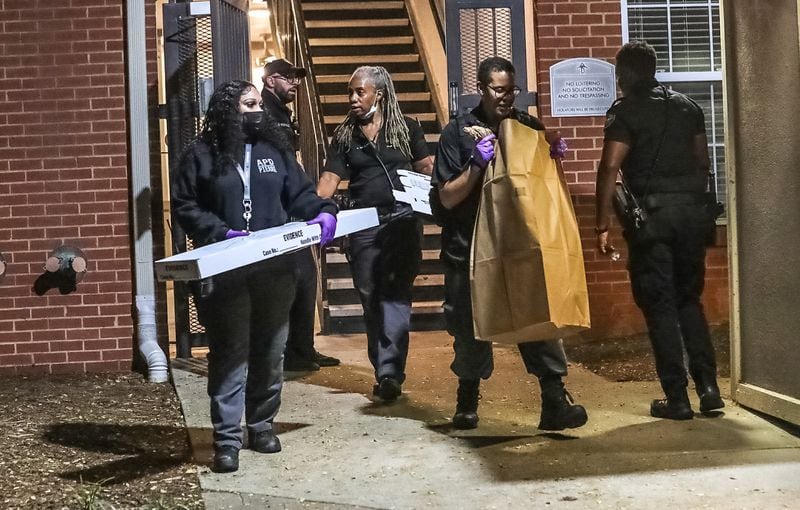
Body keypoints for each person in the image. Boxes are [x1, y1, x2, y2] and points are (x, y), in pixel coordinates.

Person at [172, 80, 338, 473]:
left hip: (274, 269)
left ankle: (261, 425)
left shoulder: (275, 151)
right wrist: (219, 230)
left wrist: (323, 210)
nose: (257, 110)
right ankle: (227, 438)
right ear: (229, 109)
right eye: (249, 103)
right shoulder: (201, 155)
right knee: (230, 354)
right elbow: (184, 204)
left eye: (258, 103)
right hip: (225, 271)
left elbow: (299, 195)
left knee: (270, 348)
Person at [431, 56, 588, 431]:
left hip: (518, 246)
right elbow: (447, 199)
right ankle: (467, 402)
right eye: (498, 90)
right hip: (469, 248)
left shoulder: (527, 127)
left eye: (511, 90)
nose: (505, 98)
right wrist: (475, 166)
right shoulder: (458, 132)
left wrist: (553, 158)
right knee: (470, 329)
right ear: (482, 89)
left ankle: (554, 402)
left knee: (537, 318)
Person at [595, 41, 724, 420]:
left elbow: (609, 167)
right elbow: (702, 162)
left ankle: (677, 397)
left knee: (660, 305)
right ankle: (709, 387)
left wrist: (602, 223)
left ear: (629, 74)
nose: (619, 81)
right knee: (690, 300)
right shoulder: (688, 107)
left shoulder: (625, 112)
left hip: (653, 221)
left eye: (620, 74)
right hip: (690, 217)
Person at [317, 65, 433, 402]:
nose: (352, 98)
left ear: (378, 94)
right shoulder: (344, 136)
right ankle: (384, 367)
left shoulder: (406, 129)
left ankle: (389, 373)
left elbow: (426, 168)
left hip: (401, 223)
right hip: (364, 225)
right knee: (371, 299)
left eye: (359, 92)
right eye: (350, 92)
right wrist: (310, 208)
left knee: (395, 296)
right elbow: (328, 180)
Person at [261, 57, 340, 372]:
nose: (294, 83)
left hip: (290, 206)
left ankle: (301, 350)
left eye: (296, 78)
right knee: (300, 278)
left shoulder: (281, 111)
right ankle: (294, 353)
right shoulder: (263, 111)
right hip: (278, 212)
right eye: (287, 77)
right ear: (270, 80)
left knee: (305, 277)